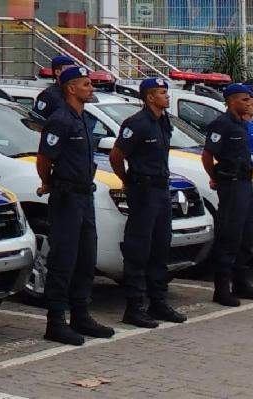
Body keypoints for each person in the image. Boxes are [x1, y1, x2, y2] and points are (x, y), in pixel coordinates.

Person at [37, 67, 115, 345]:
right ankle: (55, 322)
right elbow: (45, 158)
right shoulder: (60, 120)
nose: (91, 88)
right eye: (86, 84)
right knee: (64, 260)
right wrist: (48, 183)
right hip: (66, 196)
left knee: (86, 257)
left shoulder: (82, 117)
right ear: (71, 88)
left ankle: (81, 315)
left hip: (85, 195)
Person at [109, 78, 187, 328]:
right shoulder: (137, 123)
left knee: (160, 246)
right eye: (163, 93)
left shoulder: (163, 121)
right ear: (150, 97)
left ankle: (158, 302)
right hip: (143, 190)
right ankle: (134, 307)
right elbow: (116, 156)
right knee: (139, 249)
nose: (167, 97)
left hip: (161, 189)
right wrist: (126, 180)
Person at [201, 83, 253, 307]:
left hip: (244, 183)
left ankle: (241, 282)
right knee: (229, 236)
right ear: (231, 101)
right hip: (230, 184)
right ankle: (222, 289)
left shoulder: (242, 124)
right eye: (243, 100)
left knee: (245, 235)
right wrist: (217, 177)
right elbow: (207, 156)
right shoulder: (222, 125)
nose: (248, 103)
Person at [30, 55, 77, 126]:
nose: (72, 73)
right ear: (58, 72)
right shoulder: (49, 95)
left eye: (73, 70)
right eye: (69, 70)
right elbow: (37, 121)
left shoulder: (76, 92)